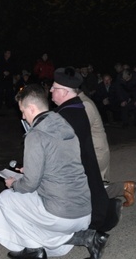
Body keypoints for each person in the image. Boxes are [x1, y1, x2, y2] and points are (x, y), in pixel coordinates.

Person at [0, 84, 109, 259]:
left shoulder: (35, 135)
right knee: (33, 204)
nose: (22, 116)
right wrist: (32, 169)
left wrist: (13, 183)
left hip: (63, 215)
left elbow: (30, 184)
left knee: (6, 199)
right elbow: (61, 162)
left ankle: (35, 248)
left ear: (32, 108)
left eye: (22, 111)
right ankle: (85, 236)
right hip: (84, 210)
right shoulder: (64, 125)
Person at [51, 67, 119, 233]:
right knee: (95, 188)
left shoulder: (80, 107)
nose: (51, 90)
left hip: (95, 151)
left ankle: (116, 199)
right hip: (89, 151)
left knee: (94, 188)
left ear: (66, 91)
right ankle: (105, 213)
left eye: (54, 87)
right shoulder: (75, 105)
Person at [78, 89, 136, 207]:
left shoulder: (84, 104)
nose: (51, 91)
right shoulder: (80, 103)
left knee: (87, 188)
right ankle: (124, 188)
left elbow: (81, 131)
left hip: (95, 152)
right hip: (92, 151)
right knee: (90, 186)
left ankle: (123, 189)